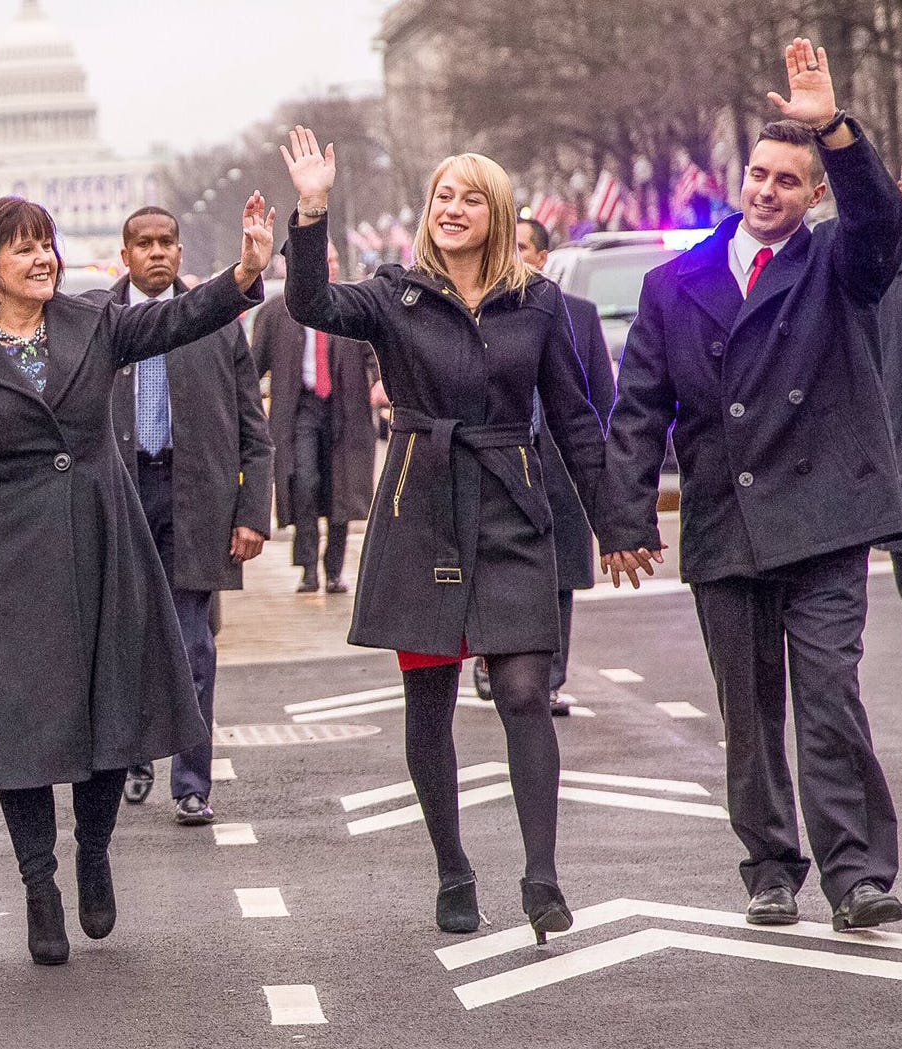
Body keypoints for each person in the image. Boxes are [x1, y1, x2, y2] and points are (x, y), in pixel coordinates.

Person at [0, 193, 271, 966]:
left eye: (46, 244)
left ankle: (93, 848)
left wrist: (245, 271)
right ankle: (38, 882)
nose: (41, 259)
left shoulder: (93, 320)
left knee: (106, 712)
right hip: (4, 556)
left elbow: (176, 320)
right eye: (22, 248)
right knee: (19, 726)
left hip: (102, 537)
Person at [599, 40, 902, 932]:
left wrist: (835, 131)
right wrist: (624, 517)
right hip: (726, 519)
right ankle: (770, 866)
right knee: (749, 709)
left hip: (824, 518)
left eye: (786, 179)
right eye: (758, 174)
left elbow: (882, 222)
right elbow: (637, 409)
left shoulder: (840, 263)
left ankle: (858, 872)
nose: (767, 190)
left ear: (812, 195)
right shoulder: (672, 283)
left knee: (826, 696)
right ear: (743, 179)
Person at [282, 125, 606, 944]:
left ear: (495, 214)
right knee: (427, 705)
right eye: (441, 197)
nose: (451, 208)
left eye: (469, 197)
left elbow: (573, 418)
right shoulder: (394, 294)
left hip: (510, 506)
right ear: (427, 214)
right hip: (419, 510)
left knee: (525, 690)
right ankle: (452, 870)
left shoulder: (537, 301)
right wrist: (311, 208)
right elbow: (310, 303)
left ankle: (542, 876)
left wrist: (620, 520)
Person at [86, 206, 273, 822]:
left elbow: (255, 430)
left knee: (194, 646)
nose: (157, 253)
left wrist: (251, 514)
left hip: (195, 499)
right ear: (126, 253)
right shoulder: (96, 323)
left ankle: (192, 783)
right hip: (120, 497)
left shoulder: (218, 323)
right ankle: (137, 752)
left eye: (168, 242)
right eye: (144, 243)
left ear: (182, 250)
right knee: (127, 638)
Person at [472, 220, 614, 715]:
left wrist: (608, 487)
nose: (513, 256)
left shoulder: (578, 314)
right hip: (499, 470)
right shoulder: (477, 314)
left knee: (561, 575)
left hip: (557, 469)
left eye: (523, 248)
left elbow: (598, 401)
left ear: (543, 257)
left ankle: (550, 679)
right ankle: (491, 659)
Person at [251, 241, 381, 595]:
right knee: (304, 483)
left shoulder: (353, 307)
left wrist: (382, 383)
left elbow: (377, 353)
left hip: (346, 410)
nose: (332, 266)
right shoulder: (278, 312)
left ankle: (335, 570)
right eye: (324, 260)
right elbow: (251, 367)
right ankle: (308, 568)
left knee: (341, 489)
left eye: (335, 259)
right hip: (300, 411)